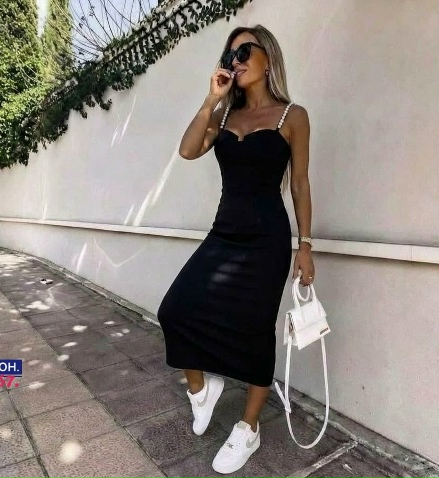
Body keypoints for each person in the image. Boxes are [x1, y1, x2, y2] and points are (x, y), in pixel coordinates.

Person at [157, 24, 315, 474]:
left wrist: (305, 244)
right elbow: (188, 151)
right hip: (223, 233)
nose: (237, 61)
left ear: (268, 56)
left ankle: (248, 427)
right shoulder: (223, 116)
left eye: (245, 51)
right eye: (231, 55)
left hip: (268, 240)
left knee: (256, 330)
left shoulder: (293, 116)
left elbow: (300, 184)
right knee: (175, 309)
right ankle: (202, 389)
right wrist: (211, 100)